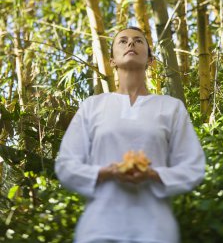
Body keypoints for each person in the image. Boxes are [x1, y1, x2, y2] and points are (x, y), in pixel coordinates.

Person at [55, 26, 205, 243]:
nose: (131, 44)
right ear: (112, 60)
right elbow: (66, 165)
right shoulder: (92, 106)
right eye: (123, 41)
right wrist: (105, 172)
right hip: (98, 230)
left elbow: (193, 167)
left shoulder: (171, 107)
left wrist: (153, 174)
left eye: (138, 41)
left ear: (150, 60)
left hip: (155, 231)